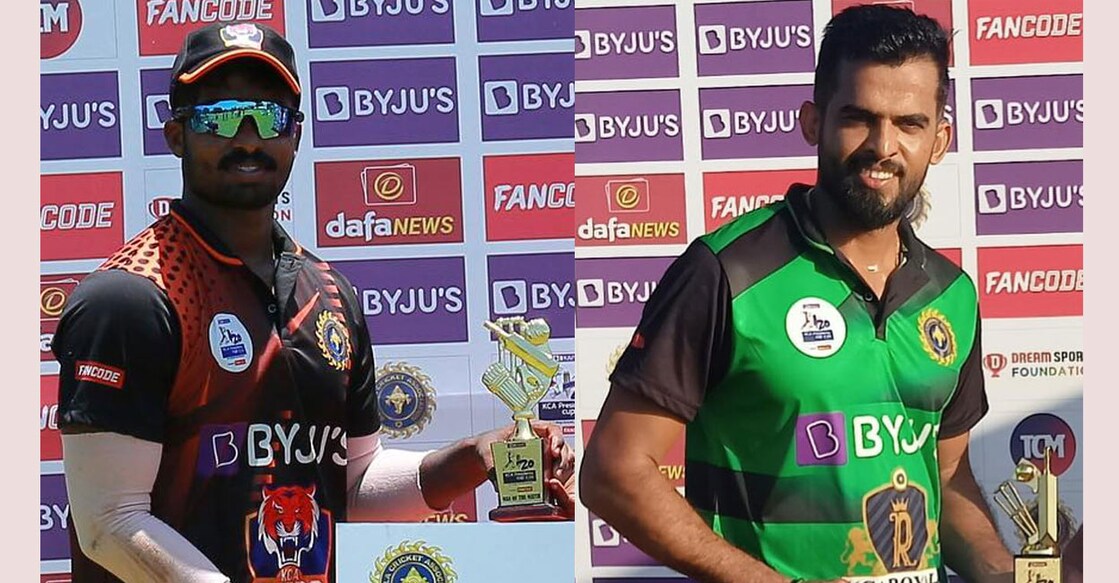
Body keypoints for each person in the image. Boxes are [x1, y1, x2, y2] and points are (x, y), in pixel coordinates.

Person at [53, 22, 573, 583]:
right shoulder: (132, 296)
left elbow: (352, 482)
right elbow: (109, 522)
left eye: (269, 117)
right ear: (177, 135)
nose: (247, 138)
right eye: (220, 117)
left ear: (295, 135)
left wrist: (472, 458)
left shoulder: (330, 293)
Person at [580, 6, 1014, 583]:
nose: (883, 146)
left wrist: (1004, 574)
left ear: (940, 139)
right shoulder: (725, 271)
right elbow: (614, 471)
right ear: (814, 122)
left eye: (910, 124)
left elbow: (949, 475)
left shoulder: (952, 294)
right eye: (859, 118)